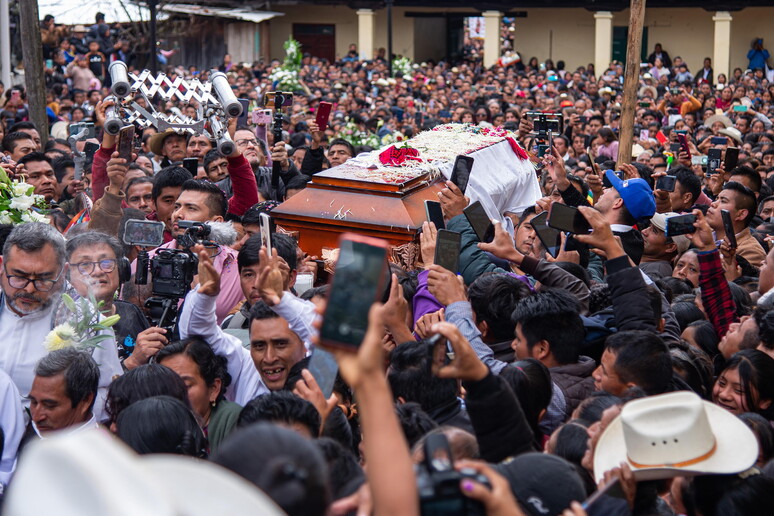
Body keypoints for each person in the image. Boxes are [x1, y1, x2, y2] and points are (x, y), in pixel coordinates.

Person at [0, 223, 122, 421]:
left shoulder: (88, 322)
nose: (29, 289)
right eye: (19, 276)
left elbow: (107, 392)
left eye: (43, 278)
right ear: (1, 266)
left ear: (63, 272)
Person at [65, 231, 163, 368]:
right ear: (67, 274)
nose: (98, 271)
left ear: (121, 269)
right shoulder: (62, 324)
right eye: (85, 264)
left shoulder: (130, 311)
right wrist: (132, 363)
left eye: (106, 262)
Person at [156, 337, 242, 451]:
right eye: (166, 387)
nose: (174, 394)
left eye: (185, 386)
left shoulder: (232, 419)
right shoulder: (157, 424)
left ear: (213, 388)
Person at [27, 348, 99, 436]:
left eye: (49, 406)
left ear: (85, 401)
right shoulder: (33, 436)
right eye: (34, 402)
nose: (36, 417)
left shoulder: (96, 449)